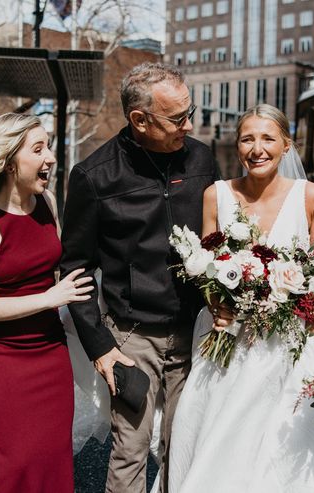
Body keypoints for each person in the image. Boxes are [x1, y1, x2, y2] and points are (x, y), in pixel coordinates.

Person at [168, 104, 314, 493]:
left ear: (287, 145)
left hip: (289, 346)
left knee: (285, 448)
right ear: (237, 147)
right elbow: (204, 266)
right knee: (219, 440)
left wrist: (308, 303)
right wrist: (216, 301)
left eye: (268, 138)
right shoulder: (216, 195)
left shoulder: (312, 197)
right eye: (248, 139)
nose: (257, 148)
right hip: (228, 339)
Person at [60, 62, 218, 493]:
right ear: (140, 120)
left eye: (191, 112)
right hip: (130, 338)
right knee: (131, 450)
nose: (190, 124)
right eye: (178, 117)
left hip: (195, 332)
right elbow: (75, 269)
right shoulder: (94, 176)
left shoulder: (202, 158)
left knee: (183, 446)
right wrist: (101, 347)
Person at [0, 113, 93, 493]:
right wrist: (49, 298)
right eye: (38, 149)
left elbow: (55, 266)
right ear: (9, 160)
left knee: (52, 460)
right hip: (2, 363)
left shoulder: (47, 200)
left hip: (50, 356)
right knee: (11, 466)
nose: (50, 157)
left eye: (48, 146)